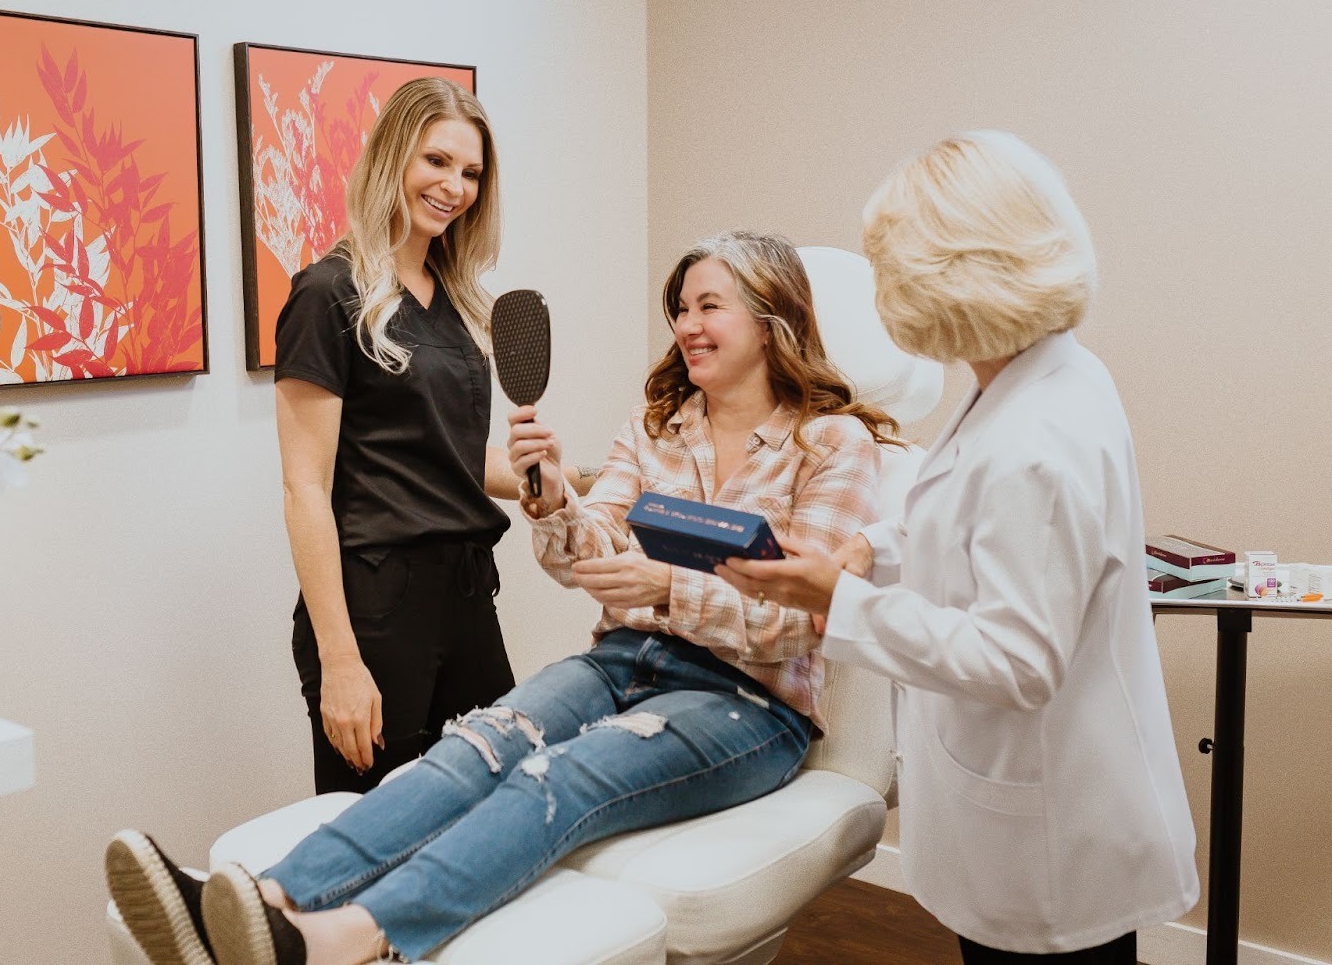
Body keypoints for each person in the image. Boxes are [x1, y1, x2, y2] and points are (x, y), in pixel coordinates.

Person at [105, 230, 900, 965]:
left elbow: (804, 620)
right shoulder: (658, 425)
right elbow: (584, 557)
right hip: (622, 659)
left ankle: (339, 939)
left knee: (559, 775)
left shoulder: (832, 443)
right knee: (473, 745)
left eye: (709, 307)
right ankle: (262, 901)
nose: (686, 325)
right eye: (681, 308)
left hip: (748, 701)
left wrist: (667, 586)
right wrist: (551, 497)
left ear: (769, 319)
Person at [718, 132, 1199, 964]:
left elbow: (1018, 661)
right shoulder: (1034, 377)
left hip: (1049, 839)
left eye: (891, 271)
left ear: (950, 273)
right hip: (1029, 809)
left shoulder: (1039, 438)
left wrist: (841, 604)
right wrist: (866, 551)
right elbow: (964, 516)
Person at [271, 77, 593, 795]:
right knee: (379, 826)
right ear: (393, 158)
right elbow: (304, 489)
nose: (455, 187)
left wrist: (566, 478)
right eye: (437, 161)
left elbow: (448, 458)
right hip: (376, 605)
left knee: (497, 802)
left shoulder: (455, 299)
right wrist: (341, 661)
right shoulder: (327, 294)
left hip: (467, 596)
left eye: (471, 172)